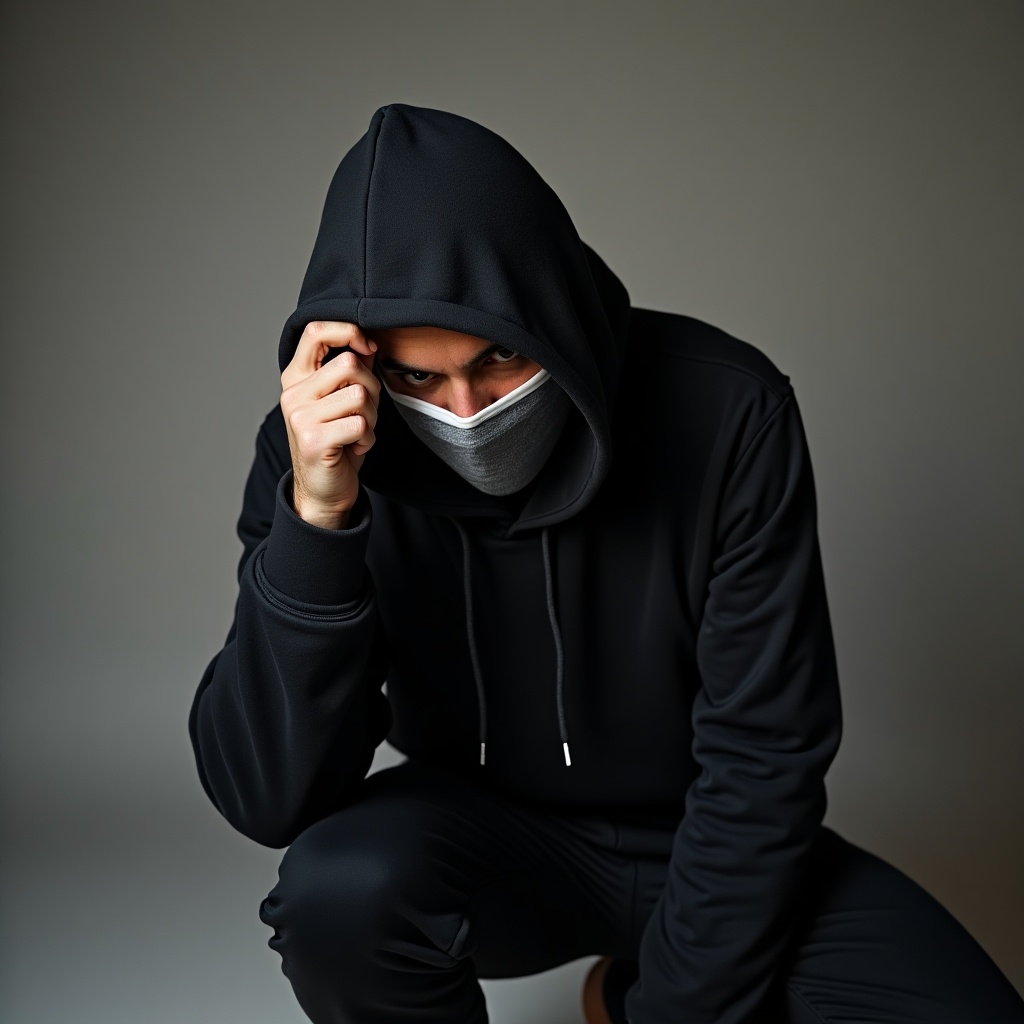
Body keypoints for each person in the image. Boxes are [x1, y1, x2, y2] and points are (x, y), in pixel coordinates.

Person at [188, 103, 1024, 1024]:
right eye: (419, 378)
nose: (467, 409)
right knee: (334, 894)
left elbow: (765, 757)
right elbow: (268, 796)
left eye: (500, 354)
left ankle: (624, 995)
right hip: (489, 850)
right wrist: (318, 514)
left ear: (548, 309)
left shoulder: (728, 411)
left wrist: (670, 1010)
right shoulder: (323, 447)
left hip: (709, 843)